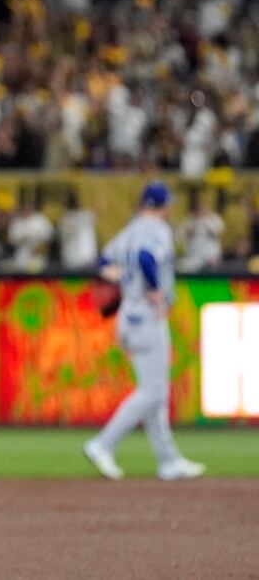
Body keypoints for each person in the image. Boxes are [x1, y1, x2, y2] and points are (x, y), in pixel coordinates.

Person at [83, 181, 205, 482]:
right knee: (153, 391)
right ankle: (103, 444)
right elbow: (146, 258)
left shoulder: (132, 229)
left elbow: (103, 261)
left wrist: (123, 279)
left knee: (157, 392)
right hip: (146, 316)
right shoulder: (157, 230)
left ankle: (168, 461)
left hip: (129, 315)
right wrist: (154, 290)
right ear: (162, 205)